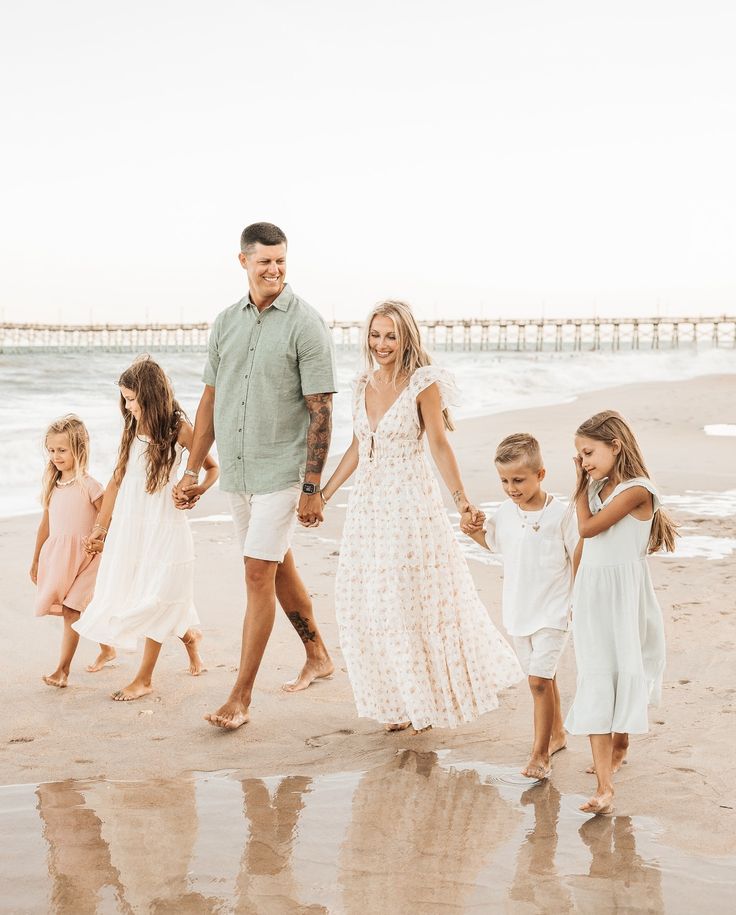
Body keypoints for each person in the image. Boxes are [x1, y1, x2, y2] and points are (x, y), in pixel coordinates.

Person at [319, 300, 522, 732]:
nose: (381, 344)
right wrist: (324, 494)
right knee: (373, 603)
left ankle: (422, 702)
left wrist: (461, 499)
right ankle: (398, 700)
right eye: (375, 335)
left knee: (406, 599)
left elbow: (439, 444)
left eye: (390, 335)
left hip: (409, 505)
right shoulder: (361, 385)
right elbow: (359, 446)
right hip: (368, 509)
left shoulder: (422, 384)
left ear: (406, 337)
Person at [174, 222, 338, 731]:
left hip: (283, 473)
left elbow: (322, 412)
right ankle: (318, 655)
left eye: (281, 260)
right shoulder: (225, 323)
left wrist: (312, 487)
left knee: (255, 573)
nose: (274, 269)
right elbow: (209, 400)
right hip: (239, 473)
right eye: (264, 260)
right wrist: (191, 467)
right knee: (275, 565)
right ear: (242, 261)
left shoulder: (306, 324)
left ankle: (240, 697)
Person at [73, 357, 218, 700]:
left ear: (151, 395)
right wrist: (100, 528)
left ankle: (144, 678)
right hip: (132, 527)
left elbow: (211, 467)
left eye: (132, 398)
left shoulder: (177, 427)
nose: (127, 405)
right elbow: (116, 481)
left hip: (165, 525)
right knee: (145, 594)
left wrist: (197, 488)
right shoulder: (131, 429)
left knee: (156, 595)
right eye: (124, 398)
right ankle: (190, 637)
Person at [565, 410, 677, 814]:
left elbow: (589, 529)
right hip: (593, 595)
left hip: (624, 596)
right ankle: (604, 788)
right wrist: (576, 596)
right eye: (579, 456)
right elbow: (583, 548)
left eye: (589, 453)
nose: (584, 462)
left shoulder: (638, 490)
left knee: (624, 668)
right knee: (595, 677)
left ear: (615, 444)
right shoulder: (597, 492)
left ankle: (622, 739)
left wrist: (579, 486)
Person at [461, 433, 580, 779]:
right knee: (545, 675)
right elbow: (494, 543)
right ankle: (557, 733)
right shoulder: (505, 514)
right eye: (504, 481)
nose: (511, 488)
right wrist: (472, 532)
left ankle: (540, 753)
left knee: (538, 682)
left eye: (518, 480)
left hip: (554, 612)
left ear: (540, 475)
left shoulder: (562, 515)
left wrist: (578, 602)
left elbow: (577, 559)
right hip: (518, 610)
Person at [31, 415, 115, 687]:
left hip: (90, 557)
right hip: (61, 559)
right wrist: (35, 560)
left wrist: (100, 539)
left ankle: (62, 671)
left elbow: (108, 515)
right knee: (83, 609)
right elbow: (45, 525)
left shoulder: (89, 485)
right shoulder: (52, 486)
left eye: (62, 450)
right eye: (52, 450)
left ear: (79, 449)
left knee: (71, 609)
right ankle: (107, 648)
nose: (56, 456)